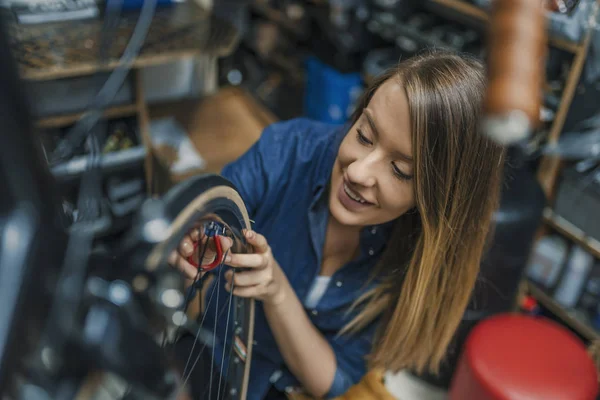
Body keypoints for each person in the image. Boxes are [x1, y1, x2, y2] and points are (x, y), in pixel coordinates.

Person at [169, 49, 506, 400]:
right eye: (364, 135)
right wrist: (193, 241)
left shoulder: (418, 256)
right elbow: (214, 210)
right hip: (217, 356)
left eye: (400, 170)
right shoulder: (287, 151)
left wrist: (277, 290)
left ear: (436, 200)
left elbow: (331, 381)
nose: (358, 172)